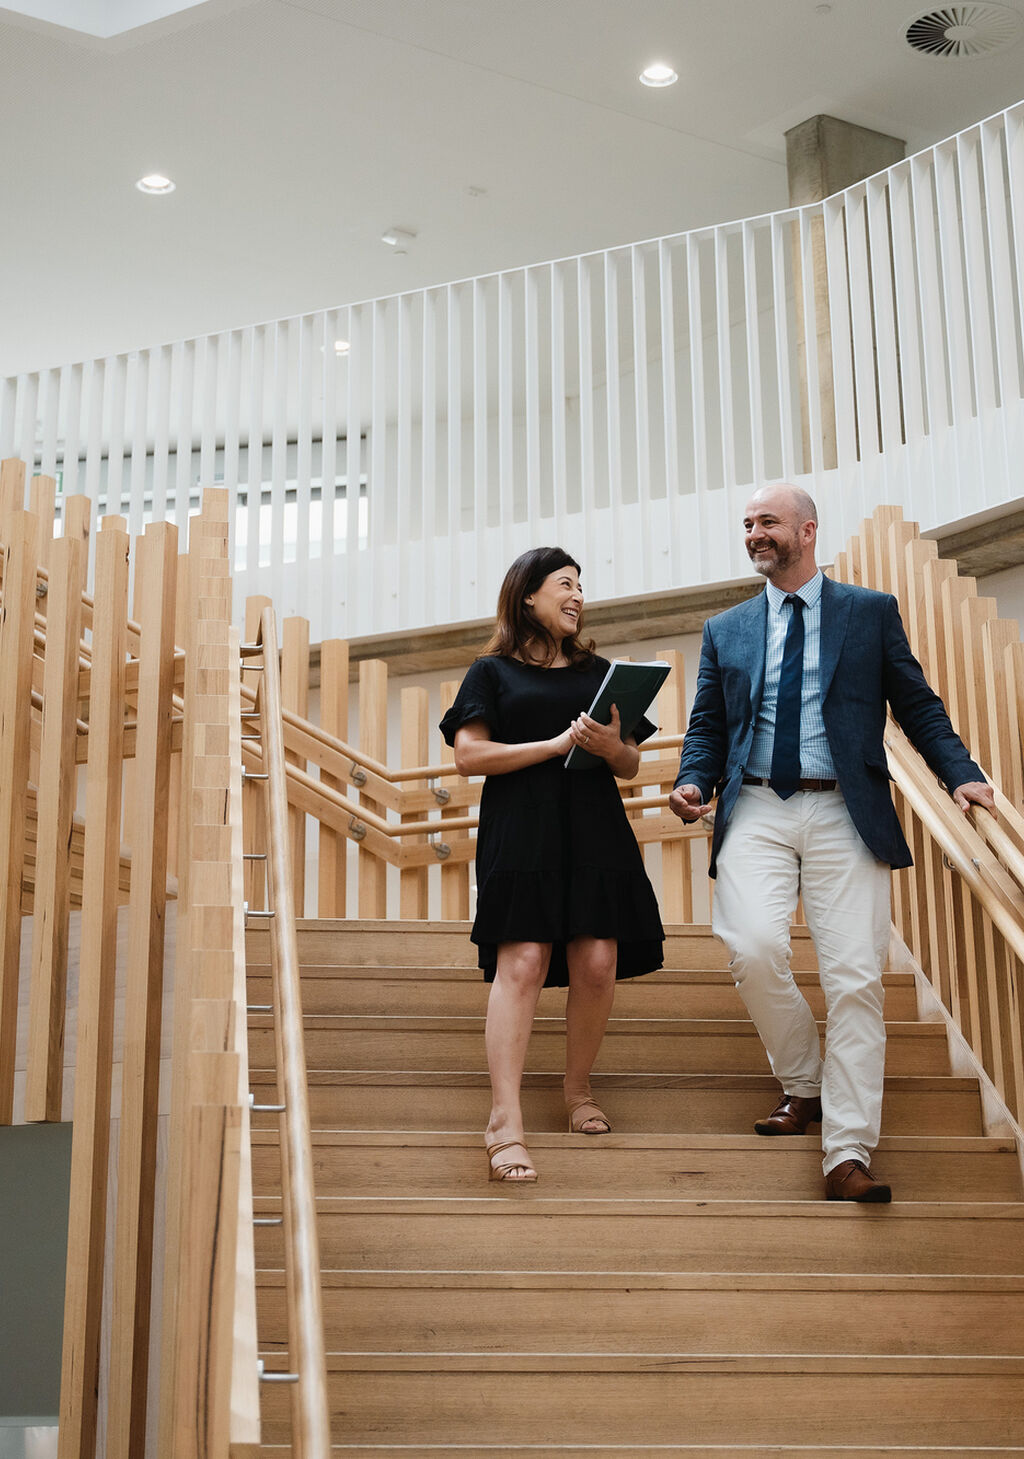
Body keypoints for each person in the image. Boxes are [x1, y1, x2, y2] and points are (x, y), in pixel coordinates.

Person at [669, 484, 994, 1202]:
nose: (755, 533)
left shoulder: (868, 612)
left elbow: (917, 704)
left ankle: (846, 1150)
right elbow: (708, 727)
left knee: (855, 979)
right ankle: (804, 1081)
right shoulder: (726, 628)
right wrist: (693, 781)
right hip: (756, 803)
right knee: (753, 945)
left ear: (808, 530)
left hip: (845, 808)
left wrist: (962, 774)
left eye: (768, 522)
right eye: (748, 523)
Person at [440, 547, 664, 1183]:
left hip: (595, 829)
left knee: (597, 960)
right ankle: (503, 1120)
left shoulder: (602, 674)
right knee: (525, 961)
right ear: (528, 595)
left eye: (581, 586)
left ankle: (577, 1092)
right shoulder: (490, 672)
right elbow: (469, 757)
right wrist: (556, 744)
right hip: (522, 829)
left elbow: (630, 765)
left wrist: (609, 746)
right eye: (565, 584)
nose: (578, 596)